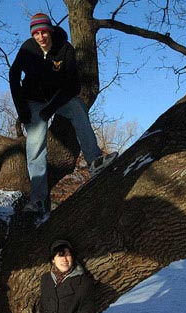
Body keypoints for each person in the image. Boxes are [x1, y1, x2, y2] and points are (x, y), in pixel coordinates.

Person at [9, 13, 118, 216]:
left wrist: (51, 108)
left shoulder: (65, 49)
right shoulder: (27, 48)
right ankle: (38, 200)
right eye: (37, 33)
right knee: (35, 144)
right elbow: (13, 76)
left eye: (44, 32)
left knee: (78, 108)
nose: (41, 37)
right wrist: (21, 108)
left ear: (50, 31)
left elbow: (74, 85)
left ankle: (94, 160)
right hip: (32, 100)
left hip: (56, 98)